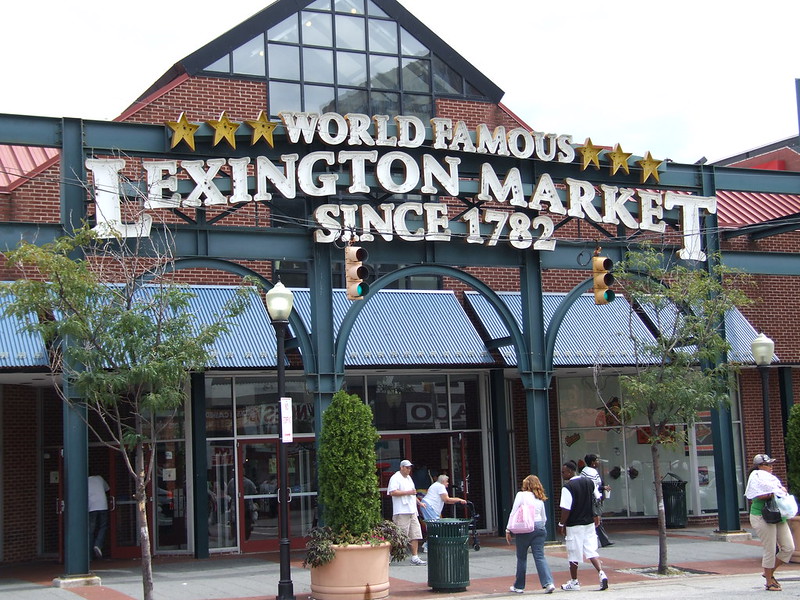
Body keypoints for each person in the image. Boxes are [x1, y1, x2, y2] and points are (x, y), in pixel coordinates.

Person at [745, 453, 795, 592]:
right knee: (770, 549)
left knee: (788, 547)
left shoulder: (769, 477)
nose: (771, 467)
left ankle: (769, 571)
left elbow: (778, 490)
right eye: (768, 465)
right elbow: (759, 495)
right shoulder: (755, 477)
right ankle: (769, 581)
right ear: (760, 466)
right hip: (762, 515)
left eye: (771, 464)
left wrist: (780, 491)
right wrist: (776, 492)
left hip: (778, 514)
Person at [558, 460, 609, 591]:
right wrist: (596, 515)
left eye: (563, 472)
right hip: (589, 523)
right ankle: (601, 573)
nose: (562, 474)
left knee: (573, 553)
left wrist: (561, 523)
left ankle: (574, 581)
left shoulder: (567, 487)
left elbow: (566, 509)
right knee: (591, 550)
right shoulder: (589, 482)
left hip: (574, 525)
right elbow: (597, 498)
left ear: (570, 472)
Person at [505, 475, 556, 594]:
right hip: (539, 527)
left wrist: (508, 529)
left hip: (525, 528)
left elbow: (513, 511)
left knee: (522, 557)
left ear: (526, 484)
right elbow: (544, 518)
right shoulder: (539, 498)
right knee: (539, 556)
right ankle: (548, 583)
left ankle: (519, 586)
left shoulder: (521, 495)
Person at [387, 459, 426, 565]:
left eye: (410, 468)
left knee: (415, 534)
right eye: (407, 467)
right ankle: (388, 557)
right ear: (401, 467)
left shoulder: (409, 478)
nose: (409, 470)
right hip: (401, 511)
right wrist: (408, 492)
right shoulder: (395, 478)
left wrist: (419, 503)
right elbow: (392, 492)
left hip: (412, 510)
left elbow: (413, 493)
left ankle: (415, 556)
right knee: (399, 535)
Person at [420, 473, 467, 552]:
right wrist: (460, 500)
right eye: (447, 482)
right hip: (430, 507)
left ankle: (428, 544)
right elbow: (446, 500)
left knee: (432, 525)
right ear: (443, 481)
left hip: (427, 506)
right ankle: (428, 546)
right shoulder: (441, 486)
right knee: (435, 526)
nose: (448, 483)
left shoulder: (435, 485)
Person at [581, 454, 614, 547]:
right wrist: (604, 488)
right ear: (593, 462)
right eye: (597, 460)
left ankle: (604, 540)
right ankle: (602, 540)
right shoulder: (591, 472)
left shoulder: (586, 471)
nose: (598, 462)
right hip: (593, 499)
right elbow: (594, 485)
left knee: (596, 519)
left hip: (590, 498)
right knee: (596, 518)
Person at [87, 474, 110, 559]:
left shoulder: (84, 481)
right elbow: (107, 488)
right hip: (103, 505)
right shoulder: (100, 478)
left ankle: (89, 555)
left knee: (90, 531)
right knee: (103, 526)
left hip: (91, 507)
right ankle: (98, 544)